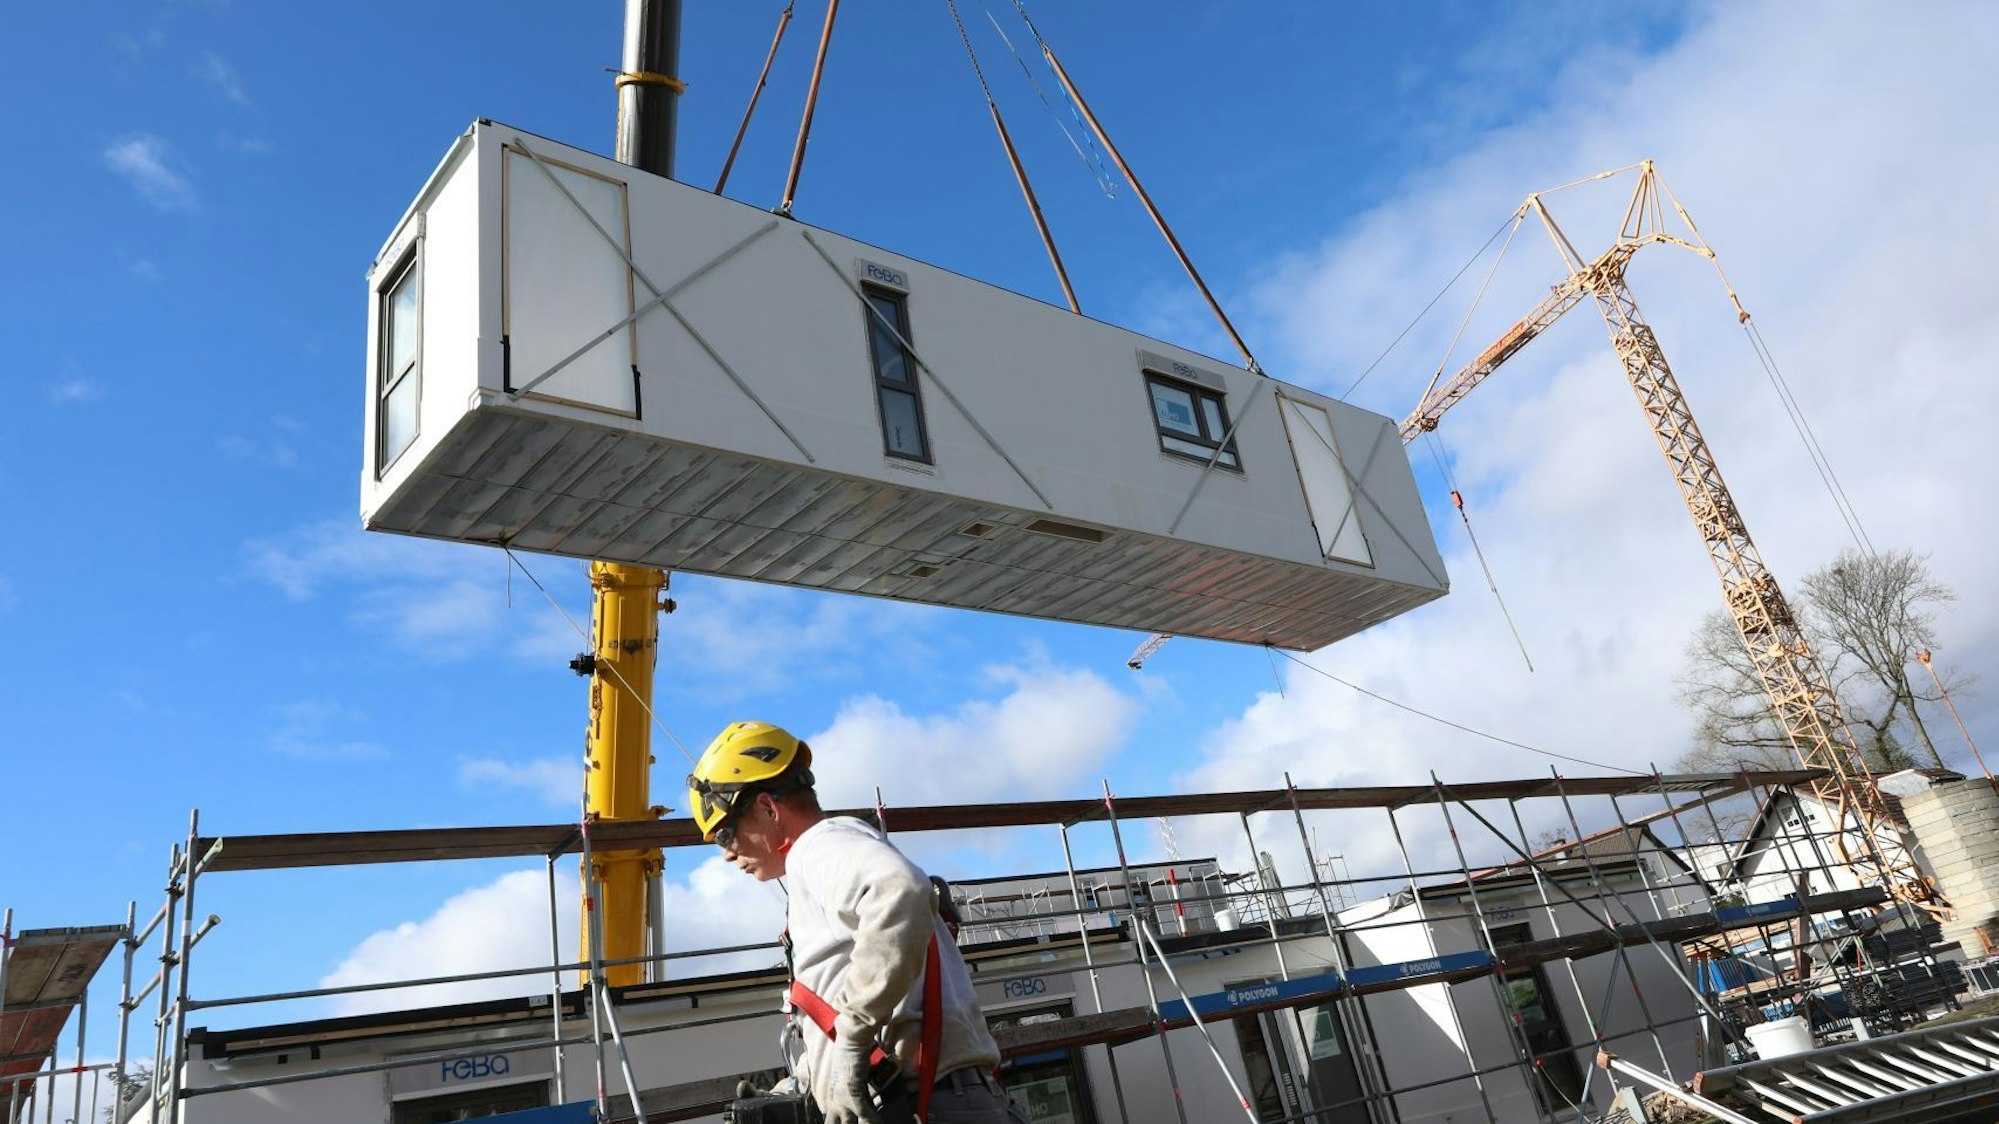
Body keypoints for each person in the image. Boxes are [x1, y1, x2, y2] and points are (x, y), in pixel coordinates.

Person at [688, 721, 1029, 1124]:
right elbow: (847, 1001)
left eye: (725, 834)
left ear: (767, 808)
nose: (727, 854)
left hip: (926, 1105)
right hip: (936, 1102)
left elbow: (900, 889)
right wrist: (802, 1082)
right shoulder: (830, 862)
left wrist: (851, 1044)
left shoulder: (818, 847)